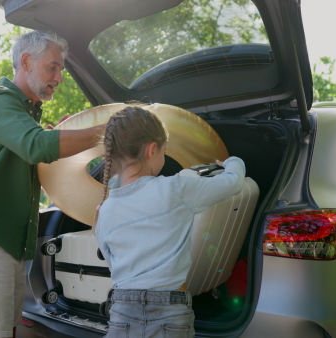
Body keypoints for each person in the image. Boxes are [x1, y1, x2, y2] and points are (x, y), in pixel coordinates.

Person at [0, 30, 103, 338]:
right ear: (25, 61)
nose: (59, 76)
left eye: (61, 69)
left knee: (5, 331)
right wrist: (107, 131)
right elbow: (37, 146)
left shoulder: (27, 112)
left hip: (12, 244)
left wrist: (60, 136)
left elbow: (39, 151)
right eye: (53, 66)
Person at [95, 106, 246, 337]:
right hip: (170, 310)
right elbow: (233, 183)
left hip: (122, 310)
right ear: (152, 149)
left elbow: (113, 263)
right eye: (164, 151)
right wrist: (233, 161)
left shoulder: (104, 210)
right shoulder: (175, 188)